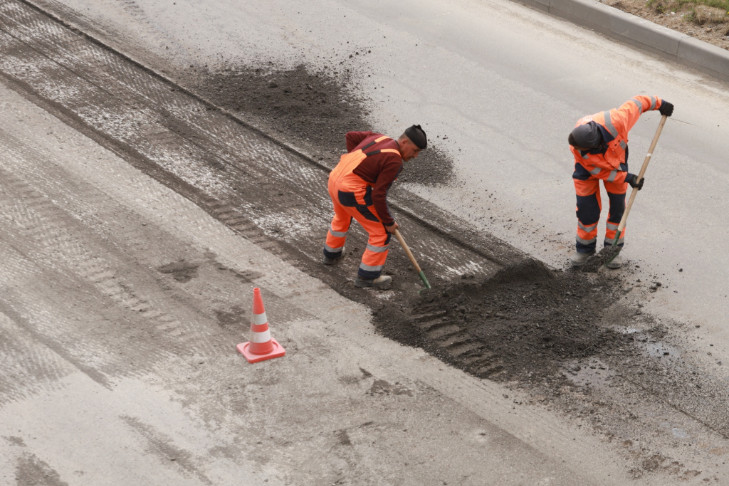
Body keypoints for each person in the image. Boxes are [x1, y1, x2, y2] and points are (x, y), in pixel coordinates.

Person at [568, 95, 673, 268]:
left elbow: (638, 103)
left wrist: (660, 104)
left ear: (596, 144)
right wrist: (628, 178)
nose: (577, 149)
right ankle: (584, 250)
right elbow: (599, 172)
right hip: (586, 172)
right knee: (587, 210)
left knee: (618, 209)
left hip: (616, 166)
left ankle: (612, 251)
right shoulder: (577, 148)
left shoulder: (617, 121)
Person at [322, 125, 427, 289]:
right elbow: (378, 195)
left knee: (343, 216)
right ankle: (368, 277)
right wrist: (388, 222)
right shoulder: (394, 160)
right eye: (414, 151)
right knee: (381, 232)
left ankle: (331, 255)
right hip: (351, 191)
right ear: (404, 142)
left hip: (335, 179)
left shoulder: (379, 137)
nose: (415, 156)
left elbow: (351, 136)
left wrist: (359, 167)